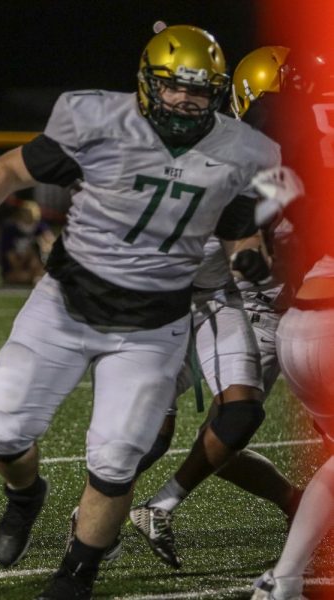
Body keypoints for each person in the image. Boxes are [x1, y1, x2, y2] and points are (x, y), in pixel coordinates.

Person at [0, 25, 279, 599]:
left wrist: (249, 262)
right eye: (173, 87)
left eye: (200, 90)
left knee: (118, 460)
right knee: (2, 430)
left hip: (153, 325)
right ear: (146, 83)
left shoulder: (244, 149)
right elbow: (14, 170)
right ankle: (25, 496)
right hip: (67, 303)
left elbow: (239, 231)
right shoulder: (95, 119)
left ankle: (77, 574)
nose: (186, 101)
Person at [128, 46, 303, 570]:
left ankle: (299, 504)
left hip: (264, 303)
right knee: (220, 424)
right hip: (247, 303)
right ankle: (122, 509)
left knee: (229, 427)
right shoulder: (246, 156)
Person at [248, 43, 334, 600]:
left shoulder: (288, 127)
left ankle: (284, 579)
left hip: (297, 318)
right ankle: (284, 577)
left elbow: (260, 203)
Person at [0, 199, 55, 286]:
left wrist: (44, 247)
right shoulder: (10, 230)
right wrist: (28, 254)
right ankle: (35, 277)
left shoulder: (41, 227)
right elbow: (12, 260)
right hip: (16, 269)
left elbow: (52, 244)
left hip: (36, 267)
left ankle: (36, 276)